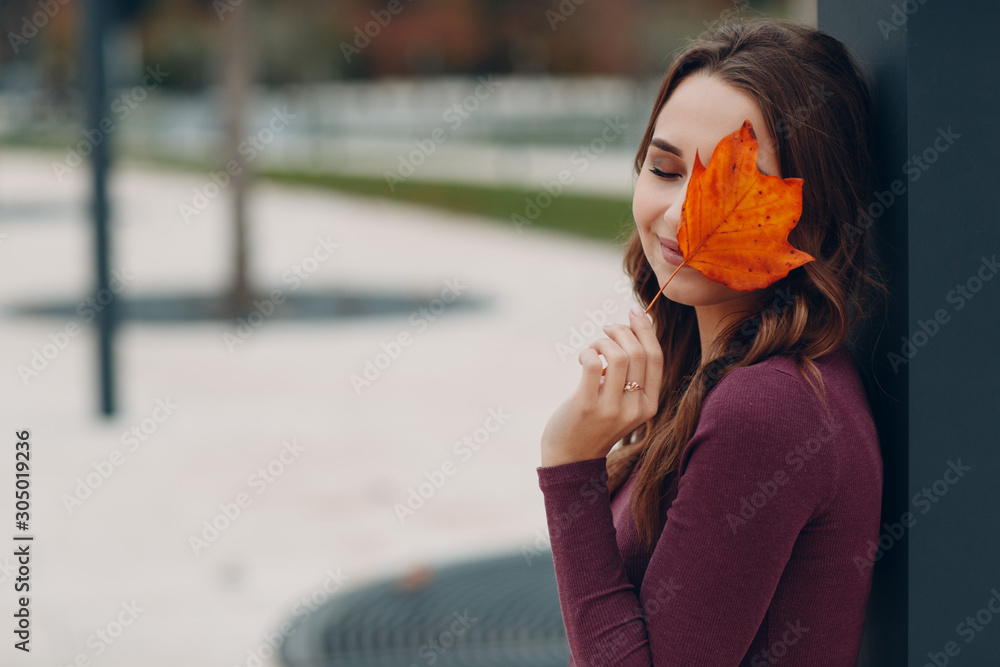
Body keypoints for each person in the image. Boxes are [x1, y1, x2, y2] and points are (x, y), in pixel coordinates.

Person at [536, 18, 889, 666]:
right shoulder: (720, 373)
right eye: (664, 168)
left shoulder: (768, 410)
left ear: (806, 213)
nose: (677, 216)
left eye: (724, 189)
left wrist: (568, 463)